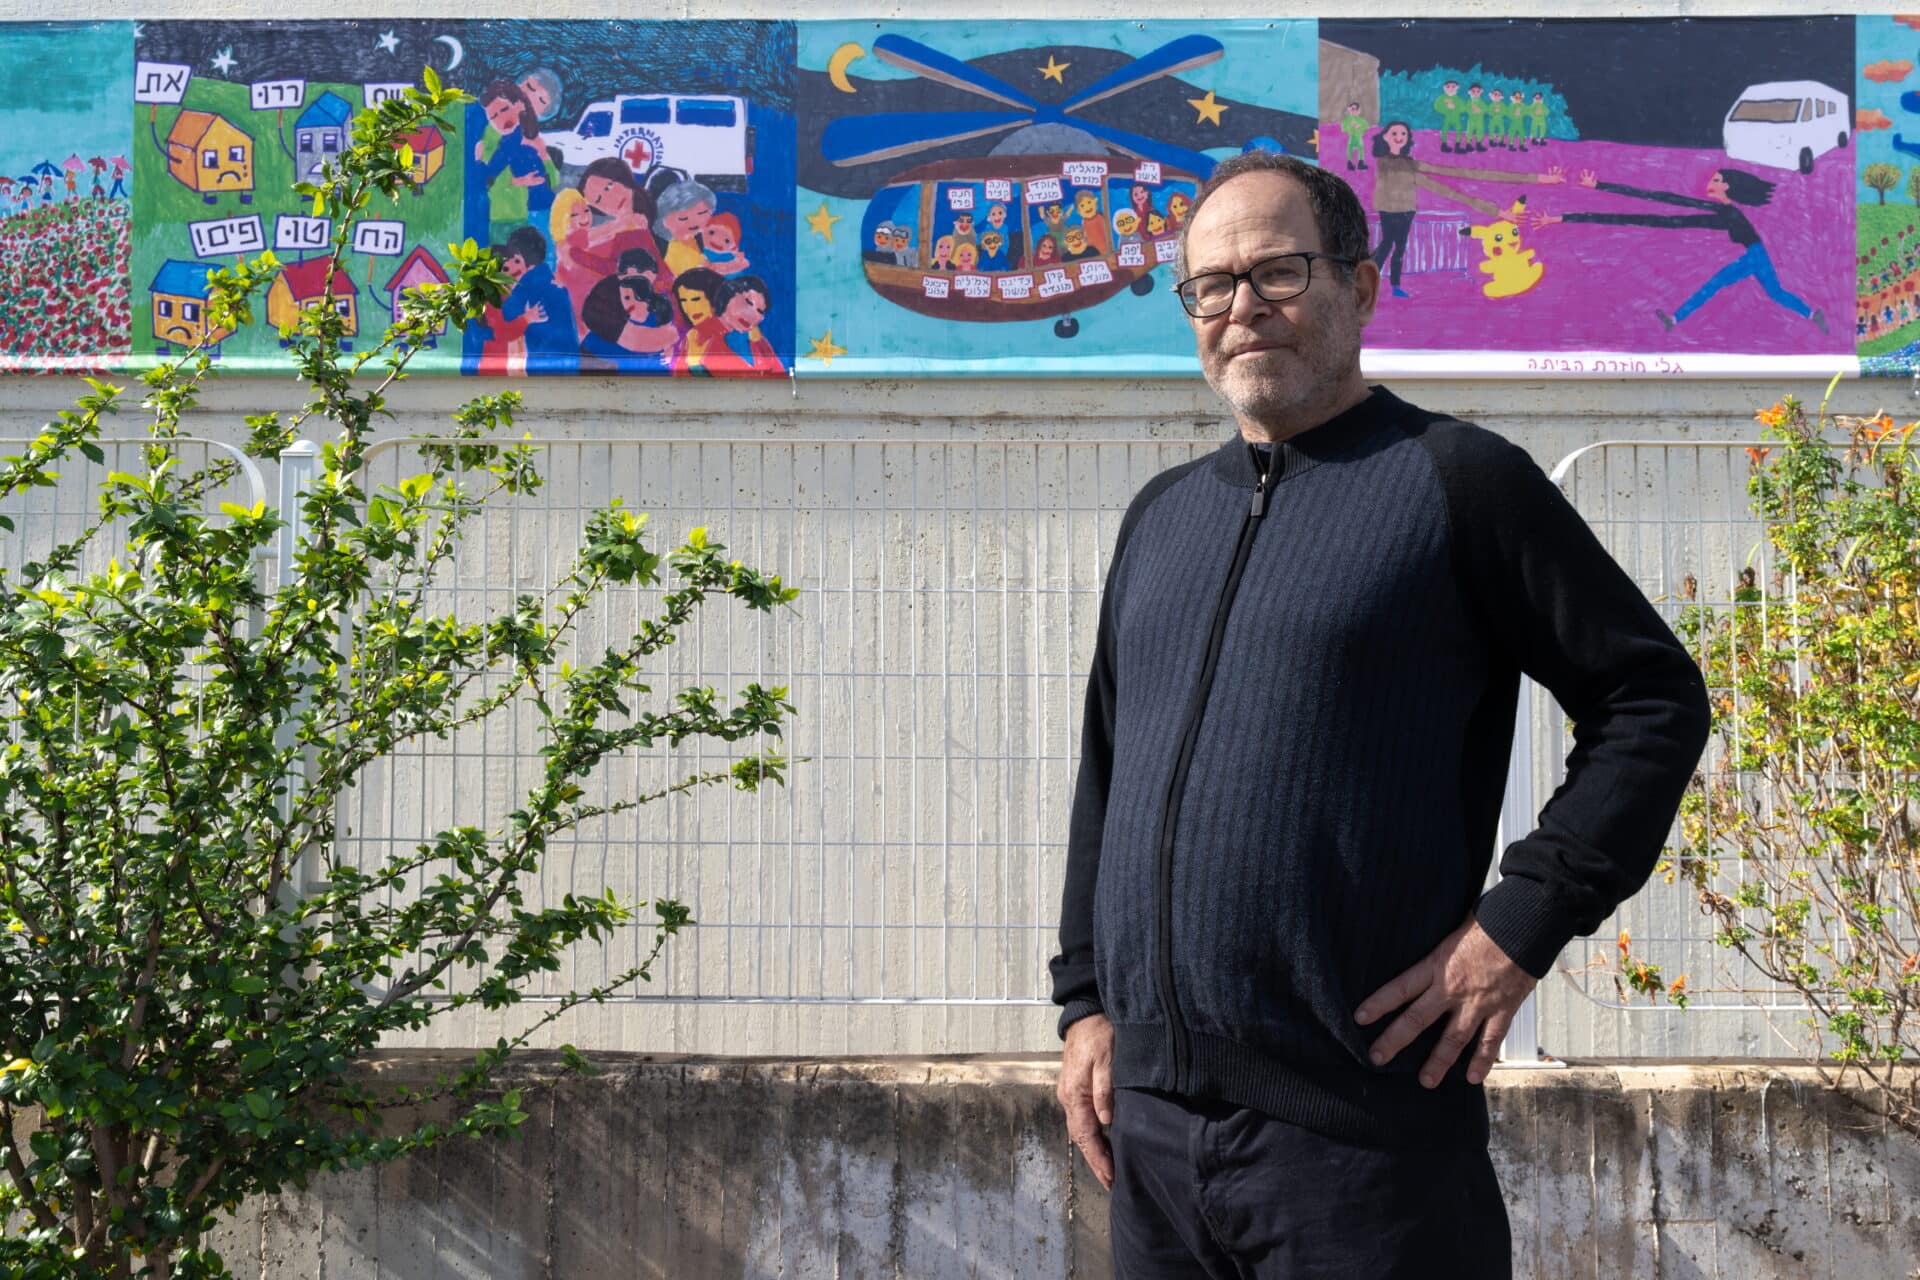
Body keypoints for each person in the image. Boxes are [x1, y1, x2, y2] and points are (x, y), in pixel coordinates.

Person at [1048, 150, 1709, 1278]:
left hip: (1359, 1145)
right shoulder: (1159, 519)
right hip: (1152, 1144)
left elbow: (1651, 697)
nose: (1241, 306)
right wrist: (1084, 1004)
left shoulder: (1458, 481)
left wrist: (1522, 921)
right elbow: (1108, 771)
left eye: (1279, 271)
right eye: (1211, 284)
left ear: (1360, 285)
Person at [1532, 166, 1827, 333]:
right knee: (1770, 292)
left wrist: (1593, 193)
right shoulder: (1724, 212)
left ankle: (1674, 319)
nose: (1709, 183)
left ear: (1726, 187)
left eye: (1715, 180)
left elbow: (1659, 211)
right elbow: (1660, 200)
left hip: (1754, 257)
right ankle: (1813, 314)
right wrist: (1599, 187)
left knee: (1722, 285)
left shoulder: (1728, 213)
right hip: (1754, 255)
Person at [1369, 119, 1558, 299]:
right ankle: (1370, 282)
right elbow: (1446, 190)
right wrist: (1498, 212)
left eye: (1403, 133)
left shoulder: (1409, 162)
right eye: (1394, 133)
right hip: (1389, 210)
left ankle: (1394, 286)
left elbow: (1456, 173)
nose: (1399, 136)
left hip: (1406, 210)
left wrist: (1539, 179)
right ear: (1385, 137)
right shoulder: (1385, 162)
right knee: (1387, 244)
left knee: (1400, 247)